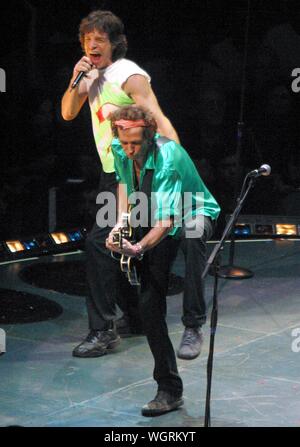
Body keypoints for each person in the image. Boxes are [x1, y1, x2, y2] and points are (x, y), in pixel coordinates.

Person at [61, 9, 180, 354]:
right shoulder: (89, 75)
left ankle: (102, 330)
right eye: (87, 39)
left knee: (100, 243)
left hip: (138, 171)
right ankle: (138, 317)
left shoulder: (127, 74)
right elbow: (68, 112)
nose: (92, 44)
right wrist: (75, 78)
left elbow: (158, 116)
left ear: (114, 43)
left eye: (99, 39)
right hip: (113, 171)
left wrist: (178, 164)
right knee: (124, 240)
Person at [105, 105, 220, 416]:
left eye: (136, 144)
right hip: (153, 213)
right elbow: (124, 186)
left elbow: (169, 220)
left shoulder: (167, 158)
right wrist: (120, 223)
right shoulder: (119, 146)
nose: (129, 150)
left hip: (191, 210)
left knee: (193, 234)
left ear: (150, 136)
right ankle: (169, 389)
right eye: (124, 143)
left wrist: (139, 246)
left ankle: (193, 324)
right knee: (149, 304)